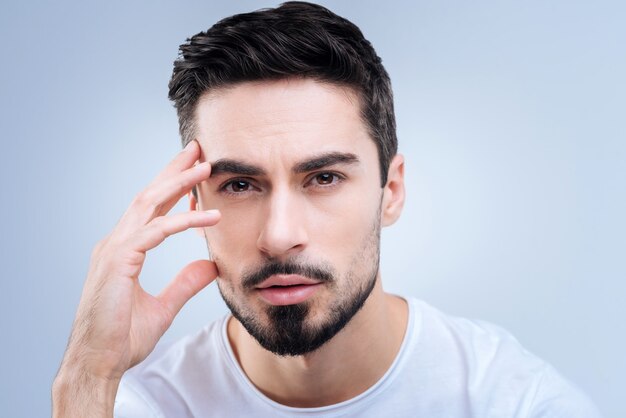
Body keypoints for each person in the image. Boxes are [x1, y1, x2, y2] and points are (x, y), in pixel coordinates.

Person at [52, 2, 602, 417]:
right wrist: (87, 374)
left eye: (324, 178)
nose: (280, 235)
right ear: (194, 203)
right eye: (241, 184)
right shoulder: (134, 406)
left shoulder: (511, 401)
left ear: (391, 191)